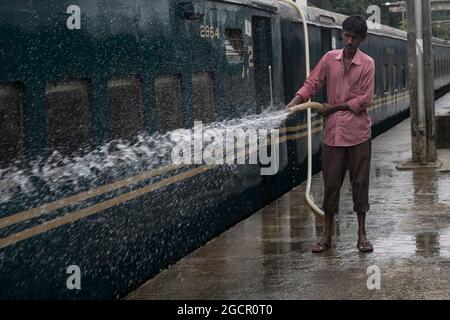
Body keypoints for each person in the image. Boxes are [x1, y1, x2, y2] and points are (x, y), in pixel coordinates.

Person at [287, 16, 375, 253]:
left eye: (354, 37)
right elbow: (312, 83)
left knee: (359, 183)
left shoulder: (367, 64)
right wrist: (292, 105)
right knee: (331, 184)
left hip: (358, 134)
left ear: (362, 39)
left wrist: (333, 108)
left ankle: (362, 235)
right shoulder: (328, 59)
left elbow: (365, 99)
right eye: (346, 35)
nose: (348, 41)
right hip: (333, 135)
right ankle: (326, 236)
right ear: (342, 34)